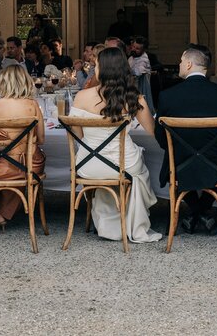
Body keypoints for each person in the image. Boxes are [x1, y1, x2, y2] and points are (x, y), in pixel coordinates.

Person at [67, 47, 161, 243]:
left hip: (88, 166)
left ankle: (109, 223)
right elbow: (153, 132)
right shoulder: (134, 98)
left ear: (103, 69)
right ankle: (130, 220)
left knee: (117, 167)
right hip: (123, 165)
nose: (95, 68)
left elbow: (79, 134)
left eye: (97, 65)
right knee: (140, 170)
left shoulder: (81, 97)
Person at [154, 44, 217, 234]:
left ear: (190, 65)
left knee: (175, 163)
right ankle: (203, 211)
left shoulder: (168, 96)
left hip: (180, 166)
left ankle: (195, 211)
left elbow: (160, 137)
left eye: (181, 61)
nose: (179, 64)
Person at [0, 65, 46, 228]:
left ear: (2, 82)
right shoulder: (32, 105)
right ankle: (1, 215)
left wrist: (2, 143)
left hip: (0, 169)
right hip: (31, 166)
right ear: (25, 82)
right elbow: (42, 139)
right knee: (22, 168)